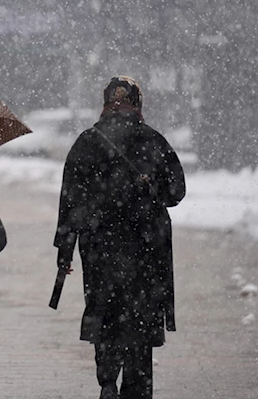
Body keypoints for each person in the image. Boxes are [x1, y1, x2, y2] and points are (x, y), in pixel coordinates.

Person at [53, 76, 186, 399]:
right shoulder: (154, 141)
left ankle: (107, 379)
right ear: (137, 104)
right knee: (139, 319)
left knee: (105, 313)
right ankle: (136, 387)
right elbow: (176, 193)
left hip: (100, 248)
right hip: (145, 247)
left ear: (105, 103)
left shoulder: (86, 142)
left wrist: (65, 251)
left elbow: (70, 201)